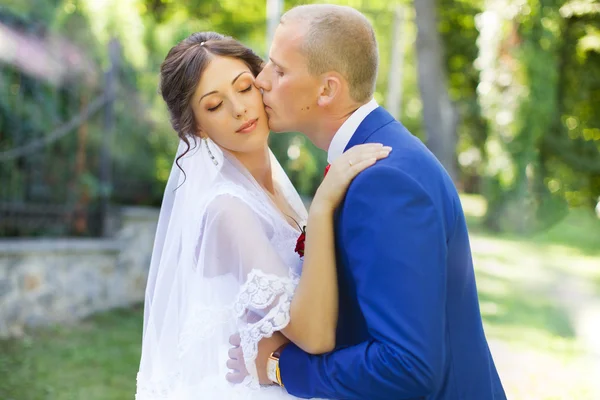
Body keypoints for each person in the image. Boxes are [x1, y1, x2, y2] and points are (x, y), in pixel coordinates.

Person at [226, 5, 507, 399]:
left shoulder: (384, 181)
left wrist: (280, 367)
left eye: (280, 70)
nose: (261, 80)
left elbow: (407, 366)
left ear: (327, 89)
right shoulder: (371, 160)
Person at [134, 31, 391, 400]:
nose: (239, 109)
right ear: (195, 127)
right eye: (213, 105)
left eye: (243, 88)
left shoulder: (271, 190)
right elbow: (315, 336)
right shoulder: (228, 208)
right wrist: (321, 208)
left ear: (263, 85)